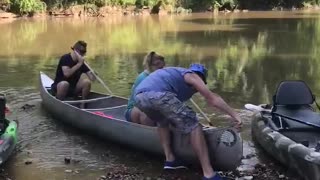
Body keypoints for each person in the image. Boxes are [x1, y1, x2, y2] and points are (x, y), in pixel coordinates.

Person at [134, 64, 242, 180]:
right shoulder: (191, 75)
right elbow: (213, 98)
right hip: (158, 95)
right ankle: (208, 173)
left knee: (162, 121)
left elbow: (173, 108)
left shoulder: (177, 77)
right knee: (194, 124)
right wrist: (234, 115)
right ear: (201, 78)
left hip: (140, 98)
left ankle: (170, 160)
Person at [125, 51, 165, 126]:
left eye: (162, 67)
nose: (160, 70)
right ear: (150, 66)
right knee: (147, 111)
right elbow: (141, 102)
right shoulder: (143, 78)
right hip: (134, 111)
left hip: (153, 108)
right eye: (157, 66)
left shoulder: (160, 77)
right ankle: (149, 132)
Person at [51, 40, 95, 105]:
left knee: (87, 82)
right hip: (59, 88)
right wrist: (79, 64)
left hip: (73, 88)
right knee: (64, 84)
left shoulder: (82, 63)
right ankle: (58, 105)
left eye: (85, 52)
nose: (84, 54)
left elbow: (92, 79)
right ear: (76, 51)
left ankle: (83, 105)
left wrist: (94, 73)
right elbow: (67, 74)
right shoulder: (65, 58)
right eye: (82, 52)